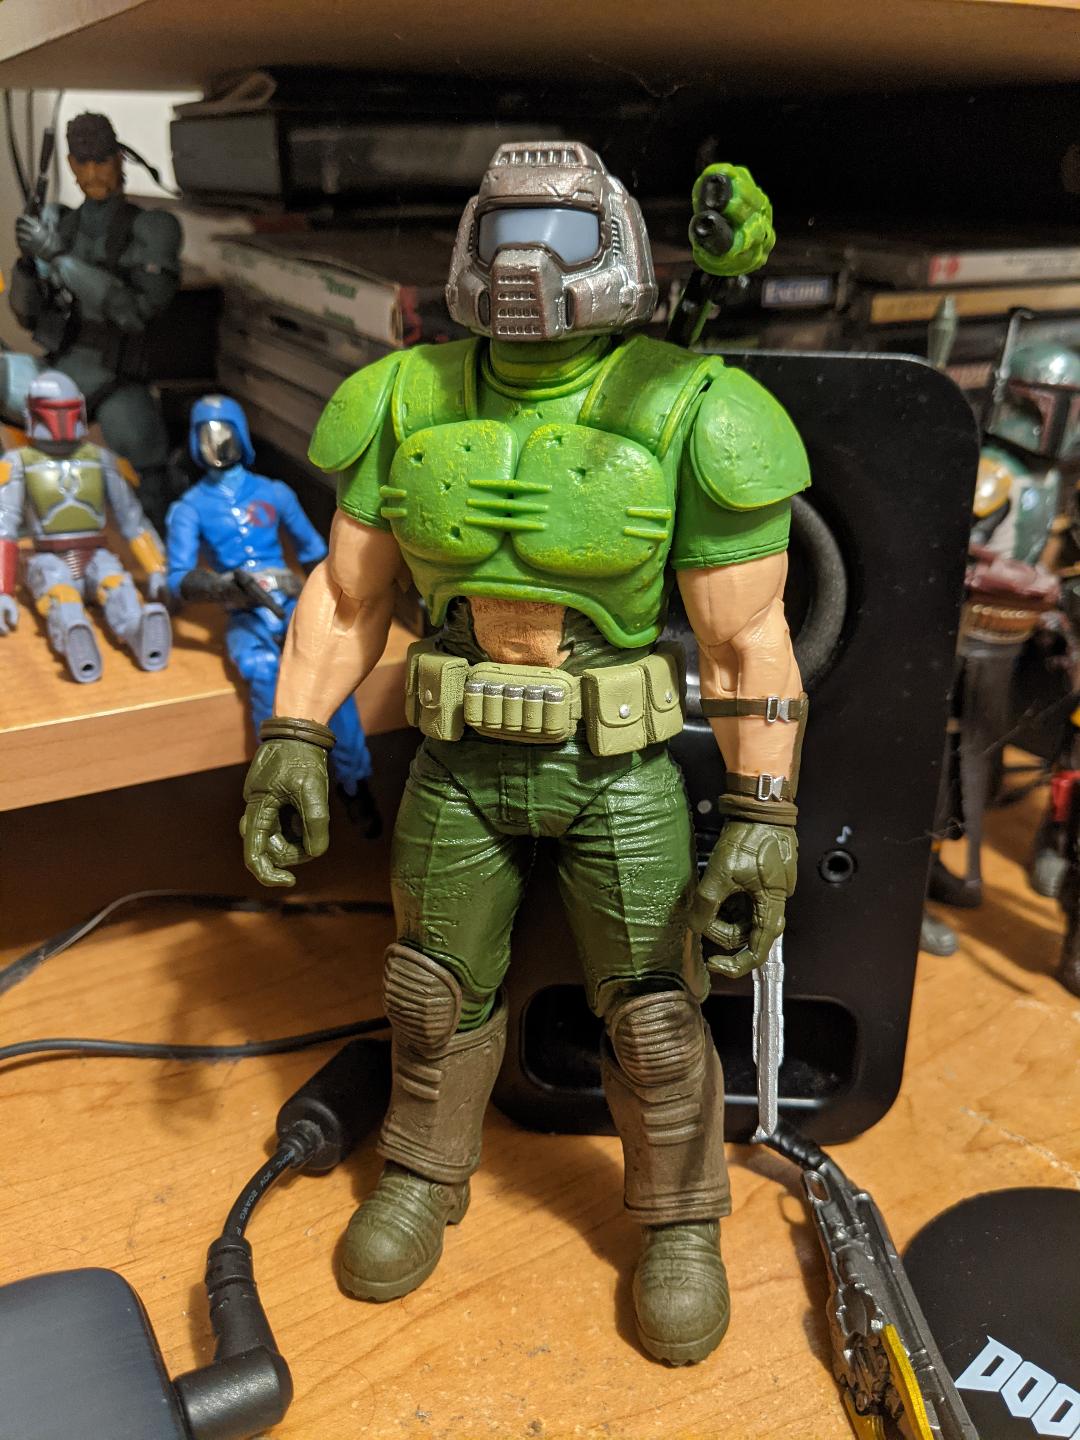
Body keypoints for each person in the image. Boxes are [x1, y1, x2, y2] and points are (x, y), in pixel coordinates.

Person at [239, 143, 809, 1365]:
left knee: (656, 1018)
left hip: (619, 770)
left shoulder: (691, 407)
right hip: (458, 761)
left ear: (618, 249)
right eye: (505, 232)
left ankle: (680, 1220)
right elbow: (345, 598)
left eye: (558, 235)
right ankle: (421, 1173)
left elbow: (746, 639)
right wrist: (293, 734)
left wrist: (765, 815)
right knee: (429, 994)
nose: (527, 264)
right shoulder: (406, 395)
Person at [167, 394, 378, 832]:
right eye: (207, 433)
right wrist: (222, 585)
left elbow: (317, 550)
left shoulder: (273, 492)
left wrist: (341, 601)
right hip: (243, 611)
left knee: (332, 677)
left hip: (291, 598)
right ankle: (282, 795)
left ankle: (354, 781)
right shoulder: (189, 508)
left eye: (225, 431)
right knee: (264, 673)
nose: (217, 442)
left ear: (241, 434)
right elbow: (176, 578)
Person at [5, 111, 182, 528]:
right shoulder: (61, 222)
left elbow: (136, 312)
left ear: (119, 158)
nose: (92, 173)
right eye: (82, 162)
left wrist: (59, 258)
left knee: (149, 469)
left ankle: (161, 552)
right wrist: (27, 266)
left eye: (102, 160)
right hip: (60, 373)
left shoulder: (153, 227)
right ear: (70, 164)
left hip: (118, 377)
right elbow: (29, 316)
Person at [0, 369, 170, 681]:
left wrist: (157, 568)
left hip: (96, 554)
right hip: (49, 556)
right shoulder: (18, 463)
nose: (60, 421)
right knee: (61, 596)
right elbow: (4, 527)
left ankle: (138, 632)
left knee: (117, 586)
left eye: (67, 410)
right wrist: (3, 591)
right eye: (53, 412)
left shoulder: (102, 459)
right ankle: (76, 640)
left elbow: (132, 519)